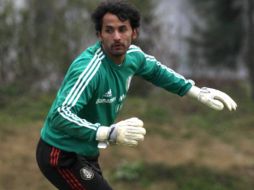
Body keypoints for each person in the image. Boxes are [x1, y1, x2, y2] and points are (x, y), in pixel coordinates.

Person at [36, 0, 237, 189]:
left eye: (122, 29)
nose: (116, 37)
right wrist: (109, 133)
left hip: (86, 151)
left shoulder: (134, 56)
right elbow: (59, 115)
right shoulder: (89, 69)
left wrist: (197, 92)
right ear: (99, 35)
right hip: (60, 152)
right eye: (109, 30)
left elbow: (157, 71)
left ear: (134, 33)